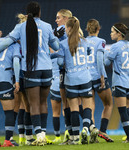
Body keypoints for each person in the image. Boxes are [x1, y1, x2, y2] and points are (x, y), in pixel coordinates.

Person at [0, 1, 59, 146]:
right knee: (42, 103)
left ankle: (38, 135)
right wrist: (56, 36)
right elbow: (56, 46)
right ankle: (43, 135)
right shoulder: (47, 26)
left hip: (30, 69)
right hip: (47, 68)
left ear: (27, 13)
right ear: (39, 12)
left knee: (31, 104)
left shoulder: (20, 27)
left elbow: (5, 43)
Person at [52, 16, 94, 145]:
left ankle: (75, 138)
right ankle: (86, 128)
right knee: (87, 106)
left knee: (74, 108)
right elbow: (89, 52)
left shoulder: (63, 44)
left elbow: (59, 62)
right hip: (85, 77)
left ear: (68, 28)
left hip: (71, 79)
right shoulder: (85, 41)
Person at [85, 19, 114, 143]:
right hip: (97, 76)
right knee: (108, 104)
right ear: (98, 29)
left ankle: (93, 131)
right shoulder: (101, 41)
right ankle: (102, 130)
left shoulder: (82, 41)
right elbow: (99, 59)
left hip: (85, 77)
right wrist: (102, 76)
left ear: (87, 29)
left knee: (90, 106)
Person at [50, 9, 72, 144]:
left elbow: (53, 50)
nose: (56, 20)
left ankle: (63, 135)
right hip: (61, 73)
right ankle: (68, 133)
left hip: (61, 73)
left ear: (65, 18)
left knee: (62, 108)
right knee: (66, 107)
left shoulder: (62, 33)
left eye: (58, 18)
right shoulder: (75, 32)